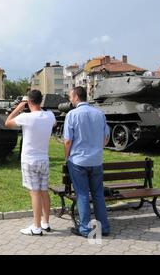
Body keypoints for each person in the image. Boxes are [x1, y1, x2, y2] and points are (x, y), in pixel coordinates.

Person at [5, 90, 56, 236]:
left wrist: (19, 107)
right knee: (44, 191)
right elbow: (53, 124)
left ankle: (36, 226)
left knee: (34, 193)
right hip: (44, 159)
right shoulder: (50, 115)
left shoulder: (25, 117)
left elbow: (7, 123)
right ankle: (46, 223)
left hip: (29, 160)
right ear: (41, 101)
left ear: (29, 102)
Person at [64, 86, 111, 238]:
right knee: (98, 194)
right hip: (96, 161)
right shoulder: (99, 113)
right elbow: (106, 138)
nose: (70, 99)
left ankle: (85, 229)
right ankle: (103, 228)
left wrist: (67, 157)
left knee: (83, 194)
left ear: (76, 97)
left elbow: (67, 141)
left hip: (78, 161)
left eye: (71, 96)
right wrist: (97, 148)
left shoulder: (72, 114)